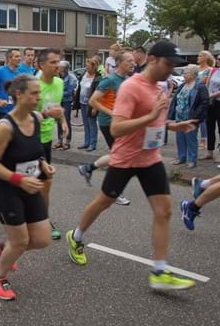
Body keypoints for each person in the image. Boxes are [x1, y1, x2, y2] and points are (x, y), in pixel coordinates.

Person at [67, 41, 197, 291]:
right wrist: (150, 116)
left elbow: (155, 121)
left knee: (164, 211)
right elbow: (117, 128)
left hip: (151, 158)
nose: (171, 69)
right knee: (103, 202)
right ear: (152, 60)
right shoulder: (131, 87)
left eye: (174, 65)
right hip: (126, 158)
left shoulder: (160, 87)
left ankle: (159, 271)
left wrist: (172, 125)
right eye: (168, 64)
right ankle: (77, 235)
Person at [0, 74, 53, 300]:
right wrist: (18, 179)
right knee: (21, 241)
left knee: (42, 239)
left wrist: (43, 164)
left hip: (30, 186)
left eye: (39, 93)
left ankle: (6, 247)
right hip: (7, 189)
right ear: (19, 94)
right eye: (34, 93)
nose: (38, 97)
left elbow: (34, 150)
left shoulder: (36, 118)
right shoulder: (6, 126)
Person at [78, 51, 135, 206]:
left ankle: (88, 168)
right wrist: (112, 113)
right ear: (119, 63)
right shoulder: (108, 80)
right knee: (120, 157)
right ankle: (114, 191)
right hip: (109, 123)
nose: (133, 63)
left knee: (117, 154)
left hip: (121, 122)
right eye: (129, 60)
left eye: (133, 61)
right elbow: (93, 101)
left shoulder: (127, 80)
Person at [35, 49, 66, 239]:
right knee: (41, 182)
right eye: (53, 62)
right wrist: (46, 114)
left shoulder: (59, 82)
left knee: (44, 183)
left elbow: (57, 107)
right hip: (31, 140)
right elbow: (24, 116)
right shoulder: (34, 86)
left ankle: (41, 217)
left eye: (58, 62)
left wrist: (63, 122)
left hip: (46, 139)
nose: (57, 65)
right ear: (41, 65)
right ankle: (41, 219)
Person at [167, 65, 208, 168]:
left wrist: (196, 116)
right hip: (179, 117)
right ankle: (181, 158)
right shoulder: (182, 85)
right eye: (184, 73)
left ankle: (192, 160)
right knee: (180, 138)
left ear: (193, 74)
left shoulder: (200, 86)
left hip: (190, 118)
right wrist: (171, 114)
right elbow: (175, 100)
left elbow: (204, 102)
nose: (183, 75)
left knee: (191, 139)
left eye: (186, 73)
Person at [0, 49, 22, 121]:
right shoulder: (0, 71)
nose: (19, 59)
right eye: (16, 56)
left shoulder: (19, 74)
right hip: (2, 111)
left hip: (15, 111)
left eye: (20, 56)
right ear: (9, 59)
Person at [75, 57, 100, 151]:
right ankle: (86, 142)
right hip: (82, 103)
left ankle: (93, 144)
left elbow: (98, 93)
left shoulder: (98, 78)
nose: (86, 68)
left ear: (94, 67)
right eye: (86, 66)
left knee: (92, 124)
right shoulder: (84, 75)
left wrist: (95, 107)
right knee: (86, 124)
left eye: (88, 66)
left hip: (91, 104)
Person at [54, 61, 77, 150]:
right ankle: (60, 140)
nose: (58, 68)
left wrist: (58, 92)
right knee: (59, 121)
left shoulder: (71, 78)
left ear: (64, 68)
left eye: (60, 67)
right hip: (58, 101)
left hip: (67, 102)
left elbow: (69, 92)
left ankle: (67, 141)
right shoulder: (57, 76)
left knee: (66, 120)